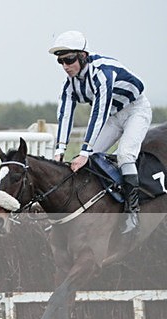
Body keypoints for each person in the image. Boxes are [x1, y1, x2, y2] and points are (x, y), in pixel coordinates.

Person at [49, 30, 152, 234]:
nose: (65, 66)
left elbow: (98, 114)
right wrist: (59, 151)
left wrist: (83, 152)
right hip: (114, 115)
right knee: (92, 157)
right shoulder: (70, 85)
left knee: (125, 155)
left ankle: (132, 213)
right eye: (60, 61)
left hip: (136, 110)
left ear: (83, 56)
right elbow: (65, 115)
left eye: (69, 60)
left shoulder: (102, 73)